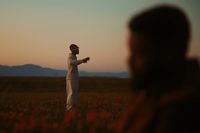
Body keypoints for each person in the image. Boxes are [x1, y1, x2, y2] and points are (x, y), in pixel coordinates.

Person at [117, 5, 200, 133]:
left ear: (169, 54)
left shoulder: (183, 115)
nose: (129, 61)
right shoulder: (150, 95)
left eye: (140, 53)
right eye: (131, 52)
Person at [66, 44, 90, 111]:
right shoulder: (70, 57)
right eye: (77, 48)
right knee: (71, 94)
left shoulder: (74, 57)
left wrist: (83, 60)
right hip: (71, 78)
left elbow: (75, 62)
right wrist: (82, 60)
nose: (78, 50)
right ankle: (69, 109)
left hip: (74, 78)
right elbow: (72, 63)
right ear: (73, 49)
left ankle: (73, 108)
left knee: (74, 94)